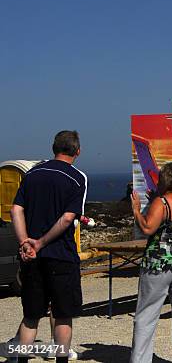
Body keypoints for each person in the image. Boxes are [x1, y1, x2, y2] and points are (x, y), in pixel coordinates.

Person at [11, 130, 87, 363]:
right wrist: (41, 242)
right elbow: (67, 219)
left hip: (32, 258)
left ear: (54, 148)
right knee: (62, 315)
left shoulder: (32, 174)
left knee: (31, 316)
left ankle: (21, 359)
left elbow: (16, 209)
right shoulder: (77, 178)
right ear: (77, 151)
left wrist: (25, 242)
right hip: (61, 255)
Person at [130, 162, 172, 363]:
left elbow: (148, 228)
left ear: (165, 180)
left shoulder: (162, 202)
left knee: (146, 315)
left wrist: (136, 210)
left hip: (159, 263)